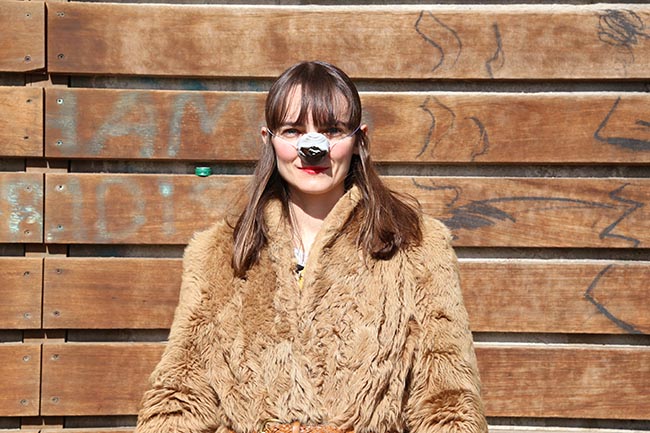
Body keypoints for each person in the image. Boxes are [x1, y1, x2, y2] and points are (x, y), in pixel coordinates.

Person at [135, 61, 487, 433]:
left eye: (332, 130)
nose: (312, 147)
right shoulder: (219, 253)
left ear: (358, 140)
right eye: (294, 130)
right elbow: (180, 399)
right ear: (269, 139)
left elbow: (447, 403)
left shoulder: (416, 247)